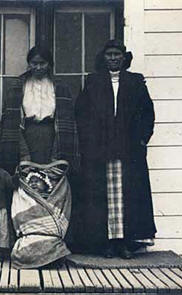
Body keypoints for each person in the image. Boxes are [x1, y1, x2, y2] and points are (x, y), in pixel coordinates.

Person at [74, 39, 156, 259]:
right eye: (109, 54)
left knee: (127, 195)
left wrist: (141, 140)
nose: (113, 58)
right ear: (103, 57)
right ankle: (105, 244)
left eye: (117, 54)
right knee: (102, 196)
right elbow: (81, 114)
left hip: (129, 151)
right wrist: (89, 143)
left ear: (124, 57)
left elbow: (147, 113)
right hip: (100, 151)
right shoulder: (93, 82)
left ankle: (125, 244)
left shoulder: (136, 82)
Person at [0, 46, 79, 174]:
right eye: (34, 63)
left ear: (49, 64)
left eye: (42, 63)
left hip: (53, 136)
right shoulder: (18, 86)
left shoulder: (60, 86)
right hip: (26, 137)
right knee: (28, 174)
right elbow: (11, 120)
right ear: (29, 64)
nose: (38, 67)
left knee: (52, 175)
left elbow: (67, 119)